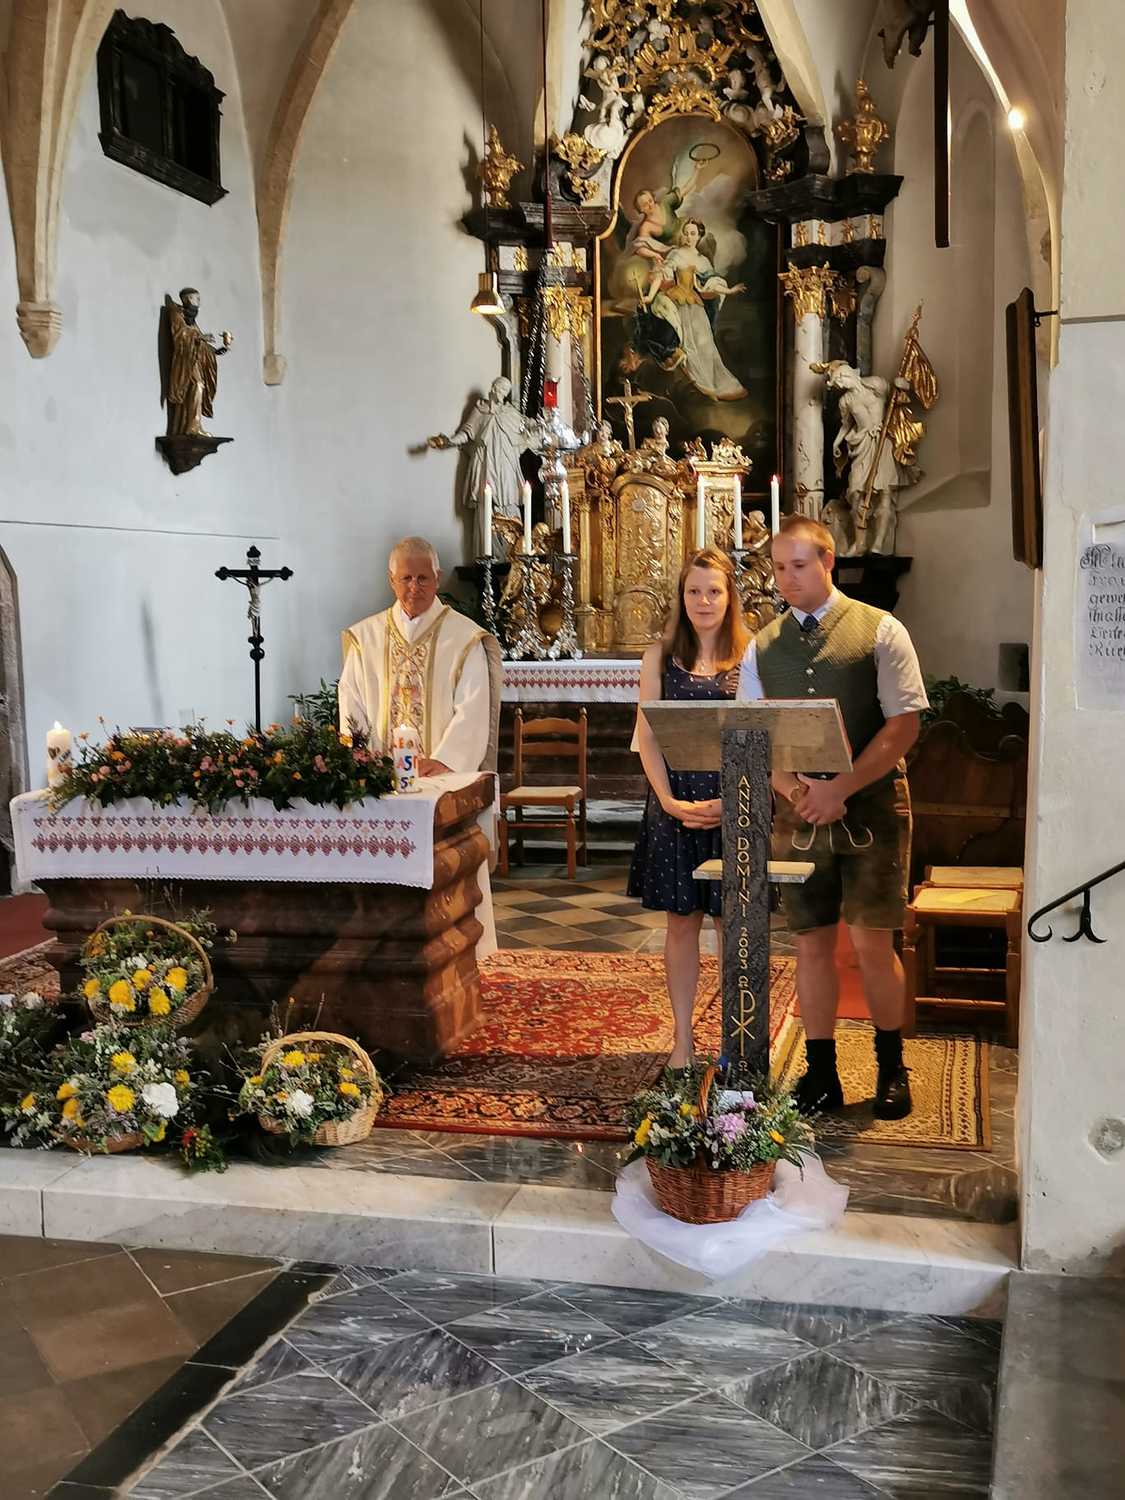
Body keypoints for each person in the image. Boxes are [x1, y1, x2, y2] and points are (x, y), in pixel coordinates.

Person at [739, 515, 928, 1119]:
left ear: (828, 561)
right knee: (811, 945)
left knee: (873, 943)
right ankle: (821, 1073)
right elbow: (752, 733)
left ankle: (891, 1067)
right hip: (799, 811)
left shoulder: (881, 629)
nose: (787, 578)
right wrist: (798, 790)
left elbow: (904, 725)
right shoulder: (762, 645)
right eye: (778, 568)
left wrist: (841, 787)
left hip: (872, 806)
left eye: (798, 565)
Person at [629, 547, 749, 1069]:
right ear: (681, 597)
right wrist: (669, 801)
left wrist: (733, 800)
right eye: (694, 591)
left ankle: (733, 1041)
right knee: (681, 922)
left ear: (730, 596)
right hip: (674, 802)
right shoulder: (659, 657)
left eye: (714, 591)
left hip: (733, 804)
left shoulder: (749, 656)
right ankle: (682, 1040)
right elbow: (647, 735)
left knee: (730, 925)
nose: (703, 601)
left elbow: (761, 736)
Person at [339, 538, 501, 774]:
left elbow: (473, 710)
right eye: (406, 578)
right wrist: (362, 759)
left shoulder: (464, 639)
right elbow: (351, 702)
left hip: (441, 776)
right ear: (392, 580)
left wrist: (444, 761)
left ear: (438, 578)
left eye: (423, 578)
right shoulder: (366, 638)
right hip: (379, 776)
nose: (414, 587)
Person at [637, 220, 749, 401]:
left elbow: (710, 284)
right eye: (686, 233)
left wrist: (729, 291)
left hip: (695, 305)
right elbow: (661, 274)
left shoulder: (703, 261)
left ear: (699, 236)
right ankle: (700, 384)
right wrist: (650, 296)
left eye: (692, 233)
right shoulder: (676, 254)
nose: (688, 237)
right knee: (688, 345)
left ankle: (715, 385)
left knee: (706, 345)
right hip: (678, 303)